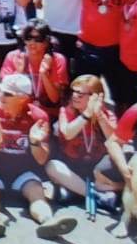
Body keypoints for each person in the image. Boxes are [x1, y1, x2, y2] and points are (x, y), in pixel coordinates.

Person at [0, 73, 78, 239]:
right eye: (1, 91)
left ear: (23, 98)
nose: (1, 96)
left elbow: (41, 159)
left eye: (8, 94)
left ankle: (48, 222)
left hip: (24, 172)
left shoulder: (38, 117)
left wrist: (35, 142)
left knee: (37, 193)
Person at [46, 75, 121, 214]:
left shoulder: (106, 113)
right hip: (73, 166)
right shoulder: (66, 110)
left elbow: (114, 139)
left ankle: (78, 190)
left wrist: (99, 115)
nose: (75, 96)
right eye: (73, 92)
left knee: (116, 165)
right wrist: (86, 114)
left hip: (98, 170)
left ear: (95, 96)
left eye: (80, 93)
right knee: (52, 166)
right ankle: (99, 196)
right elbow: (67, 133)